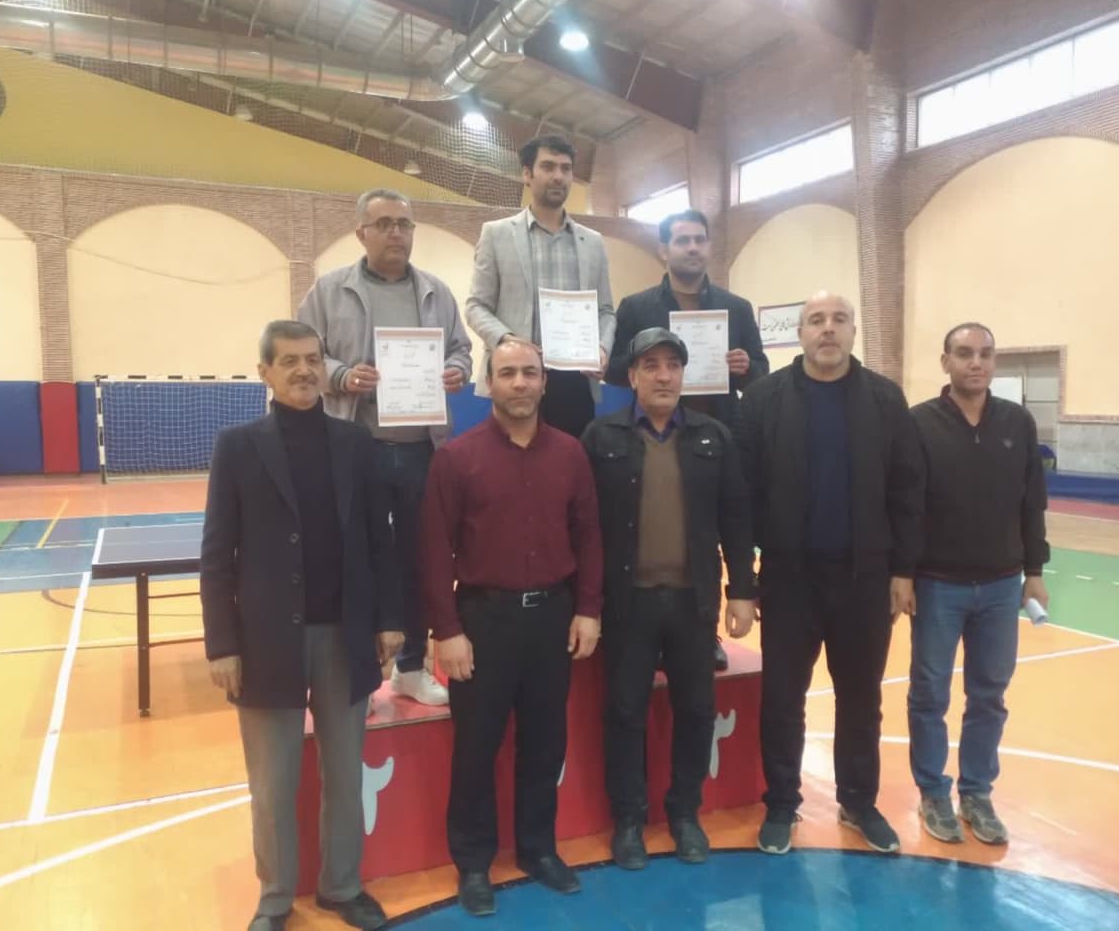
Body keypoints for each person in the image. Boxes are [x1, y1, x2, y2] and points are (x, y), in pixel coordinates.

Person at [201, 320, 401, 931]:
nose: (304, 370)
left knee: (344, 773)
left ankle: (342, 886)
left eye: (312, 359)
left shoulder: (355, 443)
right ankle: (274, 898)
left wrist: (389, 620)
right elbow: (217, 551)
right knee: (272, 782)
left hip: (345, 635)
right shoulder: (237, 447)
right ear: (264, 371)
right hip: (266, 641)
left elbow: (381, 539)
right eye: (288, 361)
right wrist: (222, 643)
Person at [734, 293, 924, 857]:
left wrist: (904, 570)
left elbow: (907, 489)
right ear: (799, 332)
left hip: (865, 579)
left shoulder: (885, 400)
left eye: (839, 320)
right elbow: (741, 496)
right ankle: (781, 803)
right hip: (789, 579)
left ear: (853, 331)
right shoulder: (763, 400)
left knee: (861, 698)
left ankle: (859, 802)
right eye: (816, 320)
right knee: (783, 698)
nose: (828, 329)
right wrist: (743, 580)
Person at [420, 338, 603, 917]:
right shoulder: (456, 458)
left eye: (529, 373)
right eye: (507, 374)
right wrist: (447, 629)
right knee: (476, 746)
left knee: (545, 743)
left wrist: (589, 608)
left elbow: (589, 536)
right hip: (483, 621)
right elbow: (434, 550)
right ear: (490, 383)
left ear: (545, 382)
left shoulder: (571, 454)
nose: (519, 383)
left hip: (553, 617)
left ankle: (537, 848)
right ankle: (473, 863)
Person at [582, 327, 758, 870]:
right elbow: (583, 527)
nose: (663, 376)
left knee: (697, 709)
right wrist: (585, 603)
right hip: (627, 604)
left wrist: (742, 591)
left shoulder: (713, 437)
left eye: (673, 366)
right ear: (632, 376)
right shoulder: (600, 437)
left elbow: (736, 516)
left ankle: (685, 815)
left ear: (684, 374)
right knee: (625, 712)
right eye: (651, 366)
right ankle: (629, 821)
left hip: (692, 602)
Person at [298, 187, 473, 707]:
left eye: (404, 223)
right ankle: (358, 676)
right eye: (385, 224)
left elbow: (462, 350)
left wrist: (456, 370)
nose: (396, 232)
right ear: (362, 233)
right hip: (356, 445)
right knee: (354, 559)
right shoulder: (329, 290)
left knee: (421, 559)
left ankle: (411, 668)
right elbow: (305, 354)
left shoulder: (437, 292)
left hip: (422, 449)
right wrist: (342, 375)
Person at [606, 208, 768, 671]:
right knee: (653, 533)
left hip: (715, 436)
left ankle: (705, 632)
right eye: (682, 240)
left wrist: (745, 366)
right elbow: (616, 368)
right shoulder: (637, 307)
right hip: (650, 433)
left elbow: (761, 373)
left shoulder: (736, 307)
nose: (693, 247)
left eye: (699, 239)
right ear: (664, 250)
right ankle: (641, 632)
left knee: (710, 534)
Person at [907, 322, 1050, 846]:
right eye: (965, 353)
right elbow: (905, 506)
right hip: (936, 585)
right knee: (929, 694)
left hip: (1001, 586)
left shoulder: (1017, 422)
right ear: (945, 361)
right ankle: (932, 793)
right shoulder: (919, 422)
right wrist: (903, 574)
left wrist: (1034, 572)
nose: (976, 363)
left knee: (989, 695)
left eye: (985, 354)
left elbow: (1032, 502)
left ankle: (976, 793)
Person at [464, 134, 616, 438]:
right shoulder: (496, 234)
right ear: (527, 174)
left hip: (576, 383)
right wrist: (509, 341)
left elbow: (606, 311)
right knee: (512, 464)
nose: (558, 176)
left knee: (571, 463)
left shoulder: (592, 242)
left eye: (565, 168)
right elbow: (476, 307)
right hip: (518, 379)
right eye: (548, 166)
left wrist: (601, 348)